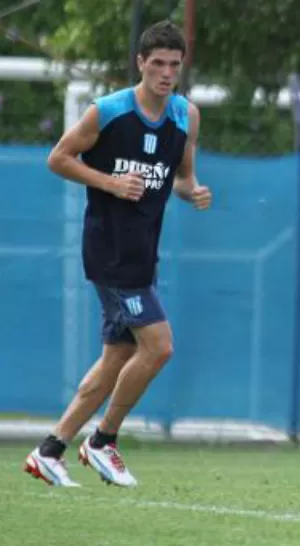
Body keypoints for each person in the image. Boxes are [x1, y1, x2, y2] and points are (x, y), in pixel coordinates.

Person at [23, 20, 211, 488]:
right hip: (109, 250)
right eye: (158, 64)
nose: (167, 73)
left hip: (143, 251)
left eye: (174, 64)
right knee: (159, 346)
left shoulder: (186, 115)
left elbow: (182, 176)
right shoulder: (108, 111)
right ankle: (104, 441)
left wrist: (193, 191)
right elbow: (59, 157)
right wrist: (109, 182)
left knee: (117, 356)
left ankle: (50, 451)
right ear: (141, 64)